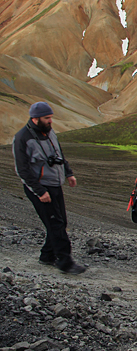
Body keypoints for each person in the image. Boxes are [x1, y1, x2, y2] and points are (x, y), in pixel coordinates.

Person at [12, 102, 86, 274]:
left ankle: (47, 256)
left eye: (51, 117)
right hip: (40, 188)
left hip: (55, 184)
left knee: (60, 222)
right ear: (35, 119)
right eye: (47, 118)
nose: (51, 121)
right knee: (56, 224)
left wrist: (69, 173)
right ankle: (65, 262)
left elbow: (59, 155)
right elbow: (22, 169)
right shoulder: (22, 138)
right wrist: (40, 191)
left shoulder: (50, 133)